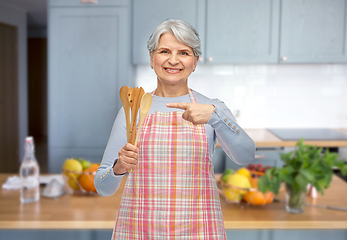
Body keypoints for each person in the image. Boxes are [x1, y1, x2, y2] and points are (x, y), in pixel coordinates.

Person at [95, 19, 256, 239]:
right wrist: (119, 167)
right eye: (164, 51)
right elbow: (103, 187)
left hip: (199, 229)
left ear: (195, 61)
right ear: (152, 58)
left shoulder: (212, 108)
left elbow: (245, 155)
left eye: (184, 52)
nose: (173, 60)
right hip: (140, 229)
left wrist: (215, 117)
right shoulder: (132, 111)